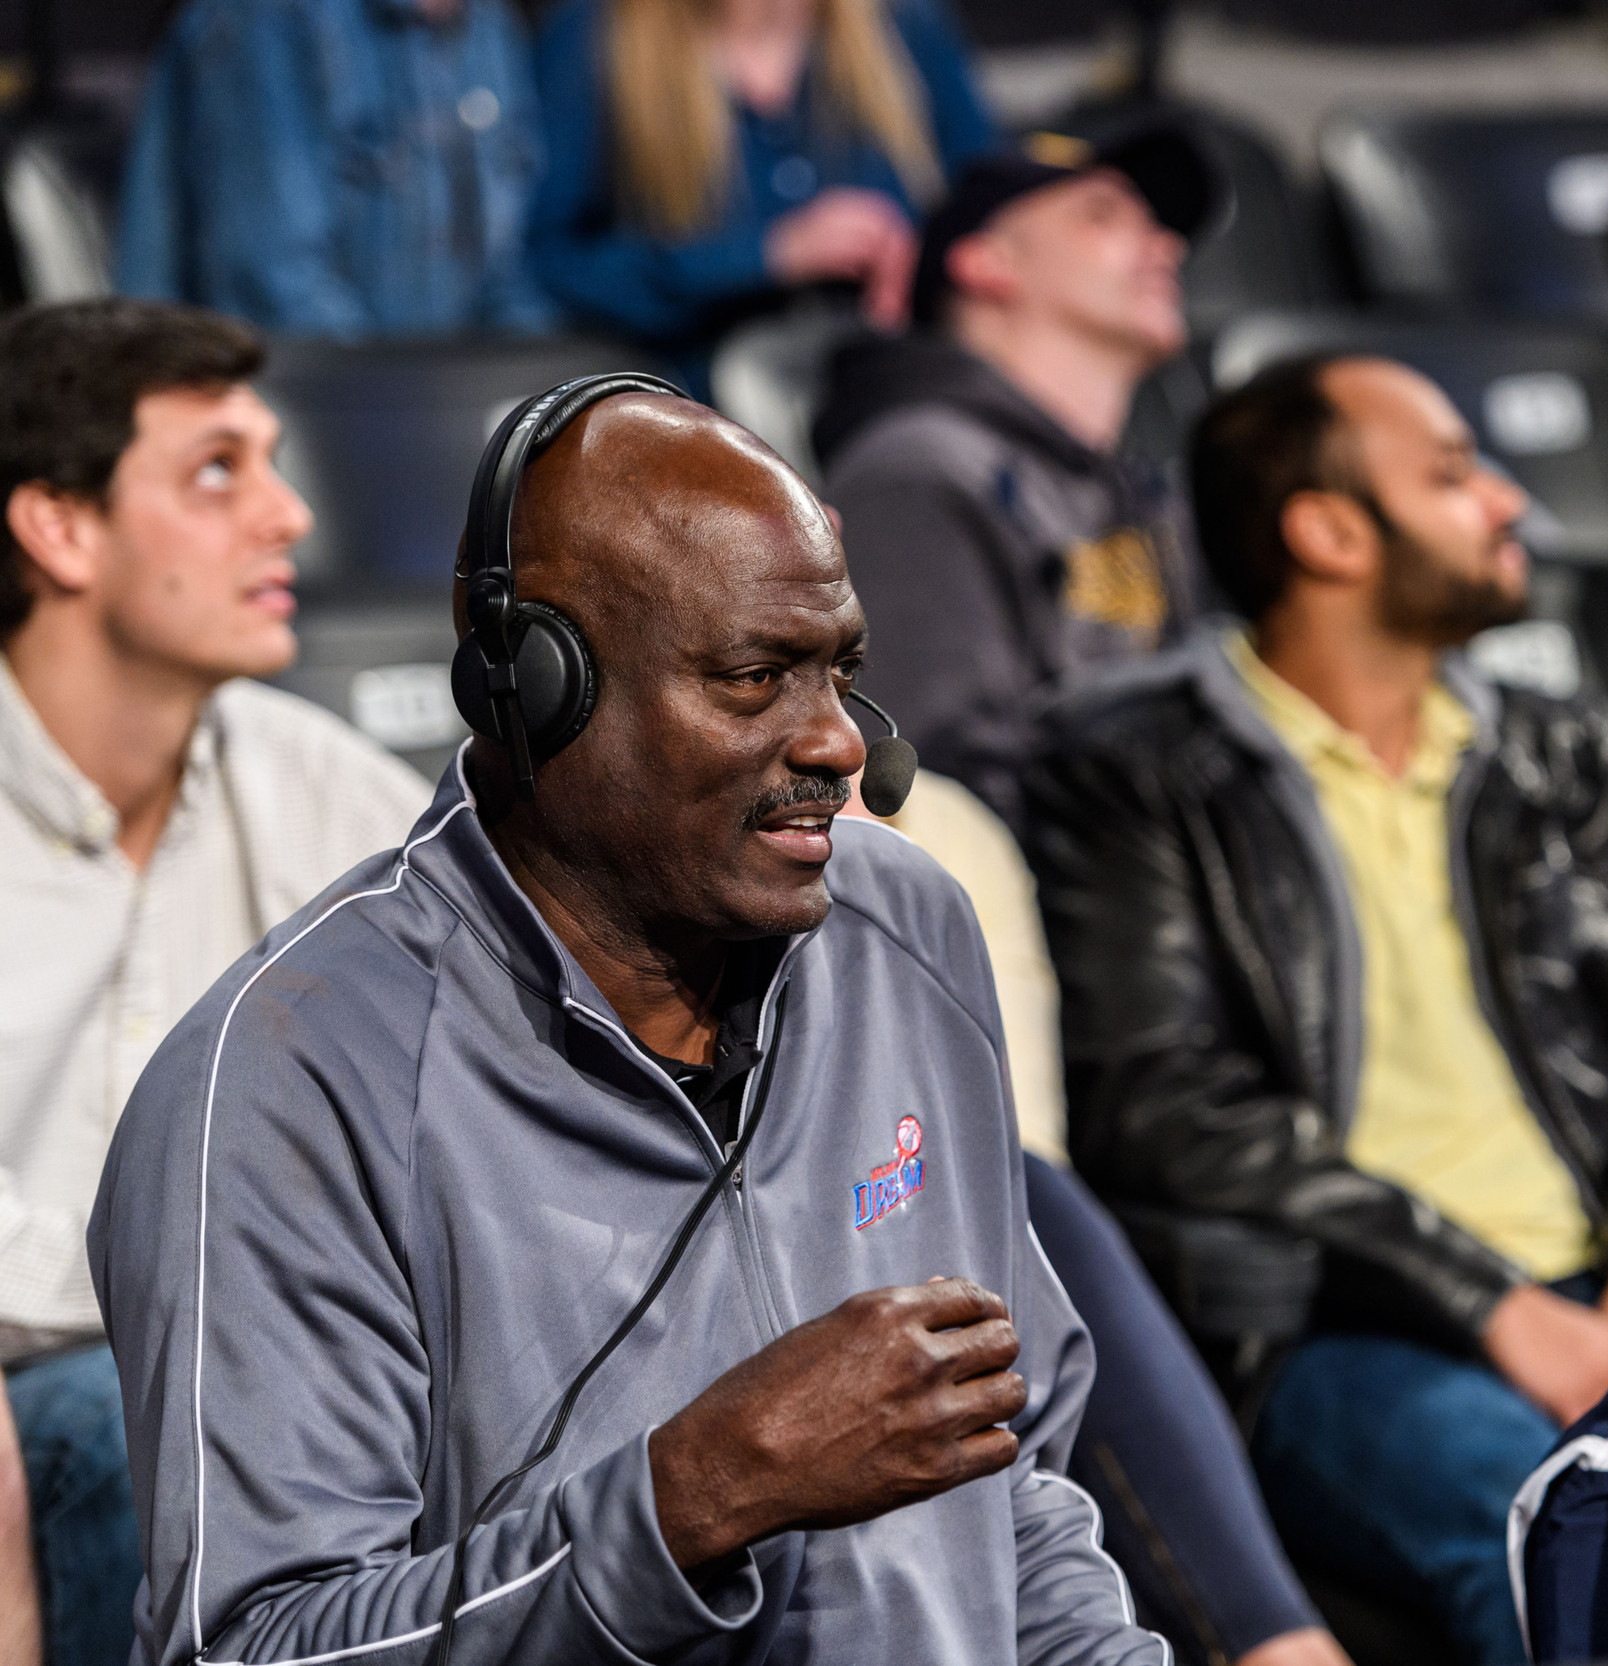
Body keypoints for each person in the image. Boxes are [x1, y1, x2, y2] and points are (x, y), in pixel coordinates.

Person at [91, 381, 1166, 1664]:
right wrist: (694, 1496)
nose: (837, 744)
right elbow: (256, 1644)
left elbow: (1011, 1488)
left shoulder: (906, 930)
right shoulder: (286, 1079)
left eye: (840, 673)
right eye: (756, 678)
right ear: (535, 687)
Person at [1025, 353, 1608, 1665]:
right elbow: (1164, 1104)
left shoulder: (1556, 742)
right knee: (1562, 1538)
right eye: (1450, 473)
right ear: (1328, 531)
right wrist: (1497, 1305)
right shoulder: (1130, 766)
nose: (1509, 501)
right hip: (1331, 1325)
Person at [0, 299, 435, 1665]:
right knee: (147, 1418)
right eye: (215, 472)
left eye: (273, 463)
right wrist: (237, 1287)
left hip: (268, 1348)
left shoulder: (302, 771)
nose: (288, 516)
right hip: (53, 1390)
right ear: (59, 527)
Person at [860, 775, 1349, 1666]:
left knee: (1015, 1200)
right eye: (758, 691)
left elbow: (997, 1155)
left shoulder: (947, 835)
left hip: (975, 1255)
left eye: (845, 698)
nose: (830, 739)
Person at [816, 123, 1211, 830]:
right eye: (1103, 216)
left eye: (1159, 225)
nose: (1167, 246)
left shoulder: (1139, 488)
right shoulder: (918, 475)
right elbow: (940, 793)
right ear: (988, 262)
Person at [529, 0, 994, 380]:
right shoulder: (599, 34)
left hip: (895, 380)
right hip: (699, 410)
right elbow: (551, 263)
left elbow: (993, 205)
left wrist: (926, 254)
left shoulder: (902, 22)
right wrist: (766, 254)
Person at [116, 0, 558, 337]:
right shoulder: (269, 19)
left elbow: (512, 272)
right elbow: (277, 287)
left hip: (430, 398)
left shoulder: (490, 25)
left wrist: (539, 389)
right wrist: (422, 405)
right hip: (306, 402)